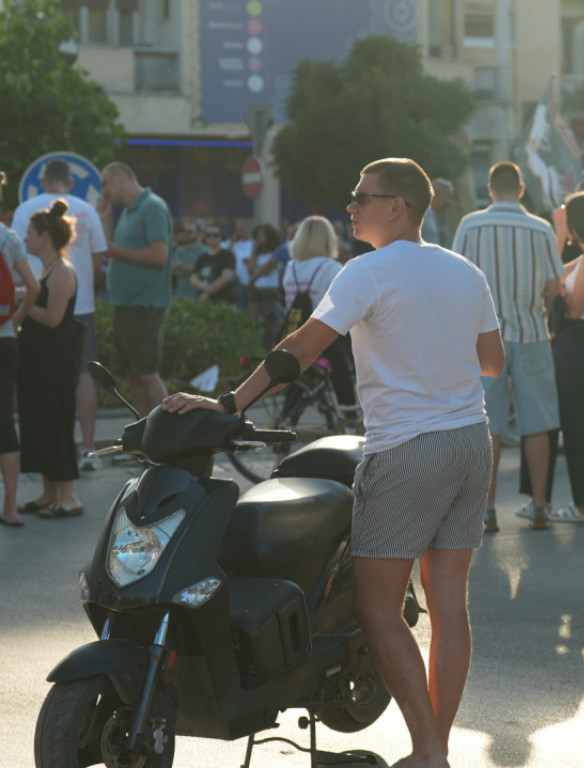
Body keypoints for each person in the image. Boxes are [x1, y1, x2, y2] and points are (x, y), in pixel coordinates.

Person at [164, 157, 502, 768]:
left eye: (361, 196)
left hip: (407, 448)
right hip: (471, 441)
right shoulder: (464, 271)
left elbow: (304, 346)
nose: (351, 206)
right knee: (449, 603)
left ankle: (429, 753)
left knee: (377, 607)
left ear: (396, 205)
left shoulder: (365, 272)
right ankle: (435, 748)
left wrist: (229, 402)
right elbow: (493, 362)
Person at [452, 161, 562, 532]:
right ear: (520, 189)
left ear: (490, 188)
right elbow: (553, 288)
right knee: (538, 423)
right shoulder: (541, 228)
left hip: (484, 340)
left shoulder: (470, 225)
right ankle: (540, 505)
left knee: (489, 425)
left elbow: (456, 281)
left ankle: (487, 510)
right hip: (532, 334)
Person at [521, 190, 584, 524]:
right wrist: (560, 234)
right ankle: (545, 500)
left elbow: (573, 307)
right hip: (577, 342)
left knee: (572, 423)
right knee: (562, 419)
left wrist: (558, 291)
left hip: (578, 339)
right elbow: (554, 273)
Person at [11, 158, 108, 471]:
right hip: (84, 308)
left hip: (52, 311)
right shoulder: (89, 211)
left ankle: (61, 482)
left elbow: (13, 258)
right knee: (82, 376)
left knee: (53, 395)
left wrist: (25, 300)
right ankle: (89, 448)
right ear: (70, 181)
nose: (27, 238)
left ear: (42, 181)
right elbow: (97, 265)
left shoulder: (26, 209)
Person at [18, 200, 83, 519]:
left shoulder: (62, 271)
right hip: (38, 361)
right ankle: (48, 492)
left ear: (45, 235)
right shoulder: (47, 269)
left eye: (29, 232)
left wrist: (24, 300)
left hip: (54, 362)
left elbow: (54, 318)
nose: (25, 237)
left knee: (56, 424)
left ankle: (69, 497)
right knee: (40, 422)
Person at [97, 162, 173, 417]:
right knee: (134, 374)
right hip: (127, 304)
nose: (104, 191)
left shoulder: (152, 207)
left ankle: (169, 436)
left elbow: (159, 255)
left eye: (104, 183)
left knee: (147, 374)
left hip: (144, 305)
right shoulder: (130, 211)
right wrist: (105, 219)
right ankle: (147, 434)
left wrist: (114, 250)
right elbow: (112, 250)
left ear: (120, 177)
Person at [281, 216, 355, 408]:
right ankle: (348, 412)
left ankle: (286, 416)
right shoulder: (332, 268)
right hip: (322, 331)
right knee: (341, 370)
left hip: (295, 331)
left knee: (298, 370)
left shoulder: (291, 267)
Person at [0, 207, 37, 527]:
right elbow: (33, 287)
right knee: (4, 421)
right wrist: (16, 320)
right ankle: (10, 506)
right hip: (5, 340)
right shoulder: (9, 237)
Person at [246, 223, 283, 339]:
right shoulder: (258, 254)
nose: (259, 237)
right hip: (257, 288)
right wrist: (253, 253)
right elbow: (251, 270)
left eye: (262, 234)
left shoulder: (276, 252)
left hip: (270, 288)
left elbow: (266, 270)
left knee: (270, 320)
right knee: (253, 318)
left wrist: (252, 280)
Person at [190, 227, 237, 303]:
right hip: (202, 300)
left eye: (215, 235)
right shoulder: (202, 257)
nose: (211, 237)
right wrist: (204, 287)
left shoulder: (227, 255)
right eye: (208, 235)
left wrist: (207, 293)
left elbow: (227, 277)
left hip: (222, 300)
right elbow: (194, 277)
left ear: (221, 237)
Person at [170, 222, 206, 302]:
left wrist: (181, 266)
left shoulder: (206, 251)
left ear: (199, 233)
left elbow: (202, 271)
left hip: (198, 297)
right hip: (180, 296)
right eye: (185, 231)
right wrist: (193, 270)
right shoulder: (179, 251)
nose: (186, 234)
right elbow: (175, 271)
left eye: (190, 231)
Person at [419, 178, 454, 246]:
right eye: (448, 196)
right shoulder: (422, 216)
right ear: (436, 194)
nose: (449, 202)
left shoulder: (435, 215)